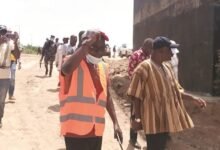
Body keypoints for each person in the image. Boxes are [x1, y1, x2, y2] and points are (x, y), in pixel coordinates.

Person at [127, 36, 207, 150]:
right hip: (152, 120)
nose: (172, 54)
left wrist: (193, 98)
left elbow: (175, 90)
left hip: (165, 119)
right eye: (170, 50)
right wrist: (137, 118)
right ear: (161, 51)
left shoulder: (167, 67)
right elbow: (135, 95)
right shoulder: (144, 68)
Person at [60, 29, 123, 150]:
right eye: (95, 48)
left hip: (96, 130)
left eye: (102, 48)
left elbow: (107, 97)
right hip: (75, 132)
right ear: (85, 45)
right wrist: (84, 48)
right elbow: (65, 70)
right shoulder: (71, 62)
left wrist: (116, 123)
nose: (100, 53)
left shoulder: (103, 67)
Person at [127, 38, 153, 149]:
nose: (151, 51)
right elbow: (130, 72)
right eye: (151, 48)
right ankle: (133, 140)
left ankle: (149, 142)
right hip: (136, 92)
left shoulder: (150, 57)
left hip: (147, 93)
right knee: (135, 115)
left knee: (147, 115)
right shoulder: (136, 55)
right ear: (145, 46)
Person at [0, 25, 15, 128]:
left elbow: (17, 55)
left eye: (4, 32)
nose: (2, 34)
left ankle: (0, 118)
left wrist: (15, 41)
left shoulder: (10, 43)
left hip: (5, 75)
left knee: (1, 100)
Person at [8, 31, 21, 100]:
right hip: (3, 62)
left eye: (11, 34)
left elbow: (18, 54)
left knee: (12, 79)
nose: (10, 35)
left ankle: (11, 94)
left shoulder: (17, 42)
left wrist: (20, 62)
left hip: (13, 62)